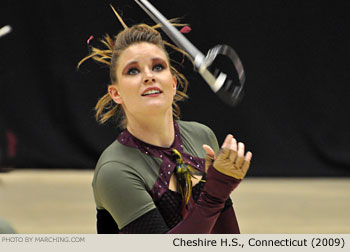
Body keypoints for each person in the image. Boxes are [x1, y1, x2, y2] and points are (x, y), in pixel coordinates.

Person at [79, 8, 252, 234]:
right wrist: (213, 195)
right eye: (133, 71)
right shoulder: (115, 170)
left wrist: (219, 195)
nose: (149, 76)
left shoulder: (202, 137)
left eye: (158, 67)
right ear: (116, 93)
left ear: (173, 83)